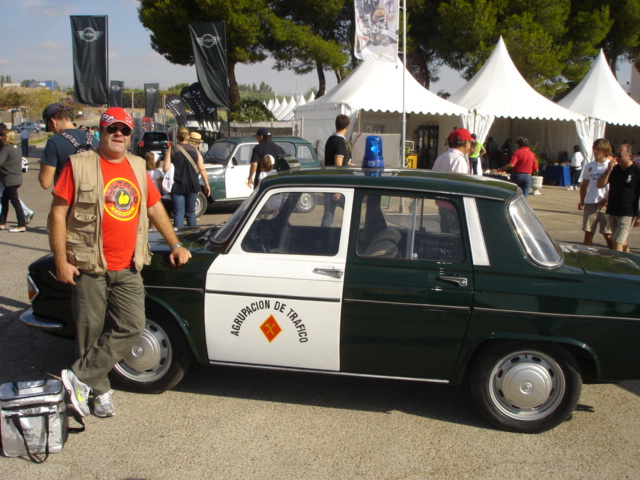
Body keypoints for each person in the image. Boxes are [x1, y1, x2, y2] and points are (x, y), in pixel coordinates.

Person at [50, 107, 192, 418]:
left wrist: (175, 243)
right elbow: (57, 214)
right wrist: (61, 260)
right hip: (89, 265)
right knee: (89, 332)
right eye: (112, 128)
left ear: (130, 136)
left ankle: (77, 376)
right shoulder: (78, 165)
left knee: (132, 325)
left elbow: (154, 208)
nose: (118, 134)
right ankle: (98, 391)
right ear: (101, 132)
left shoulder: (138, 166)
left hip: (128, 265)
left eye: (124, 130)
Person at [39, 103, 99, 189]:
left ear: (53, 122)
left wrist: (43, 166)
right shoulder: (93, 139)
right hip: (93, 194)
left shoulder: (54, 142)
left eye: (50, 128)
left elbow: (45, 183)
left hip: (67, 195)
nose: (53, 131)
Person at [163, 128, 211, 227]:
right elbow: (202, 169)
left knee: (178, 213)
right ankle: (192, 234)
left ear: (177, 137)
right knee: (191, 213)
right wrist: (207, 184)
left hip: (177, 185)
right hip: (192, 184)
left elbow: (165, 168)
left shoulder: (172, 149)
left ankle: (179, 235)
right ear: (188, 137)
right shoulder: (194, 150)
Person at [597, 143, 640, 252]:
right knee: (621, 240)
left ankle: (618, 262)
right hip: (613, 210)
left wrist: (639, 216)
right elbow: (600, 185)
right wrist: (608, 170)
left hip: (627, 212)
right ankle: (629, 259)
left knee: (617, 241)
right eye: (615, 154)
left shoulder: (636, 171)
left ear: (630, 156)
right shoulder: (615, 170)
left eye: (620, 155)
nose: (617, 157)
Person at [578, 138, 613, 248]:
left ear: (605, 150)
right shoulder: (589, 166)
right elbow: (584, 184)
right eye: (594, 149)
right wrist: (582, 201)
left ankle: (614, 254)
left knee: (608, 234)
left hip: (606, 205)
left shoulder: (611, 166)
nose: (595, 151)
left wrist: (606, 200)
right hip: (591, 203)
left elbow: (616, 188)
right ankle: (587, 255)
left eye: (598, 149)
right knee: (588, 234)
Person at [0, 129, 27, 232]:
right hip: (17, 177)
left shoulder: (6, 149)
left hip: (9, 179)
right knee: (4, 200)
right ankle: (2, 223)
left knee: (15, 202)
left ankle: (21, 225)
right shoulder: (17, 148)